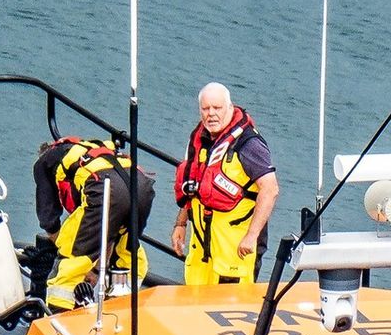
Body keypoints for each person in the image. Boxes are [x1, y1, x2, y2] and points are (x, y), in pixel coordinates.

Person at [171, 83, 278, 285]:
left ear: (229, 108)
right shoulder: (199, 139)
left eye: (217, 108)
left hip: (234, 251)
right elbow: (192, 182)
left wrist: (251, 236)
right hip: (202, 250)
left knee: (230, 311)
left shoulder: (249, 145)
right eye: (206, 108)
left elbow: (270, 190)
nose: (211, 114)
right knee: (194, 307)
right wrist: (181, 223)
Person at [31, 136, 155, 309]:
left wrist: (88, 263)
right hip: (142, 188)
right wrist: (97, 262)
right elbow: (107, 232)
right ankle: (122, 312)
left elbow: (51, 227)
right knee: (128, 256)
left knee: (68, 270)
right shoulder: (91, 155)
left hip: (104, 190)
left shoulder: (44, 165)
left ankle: (57, 323)